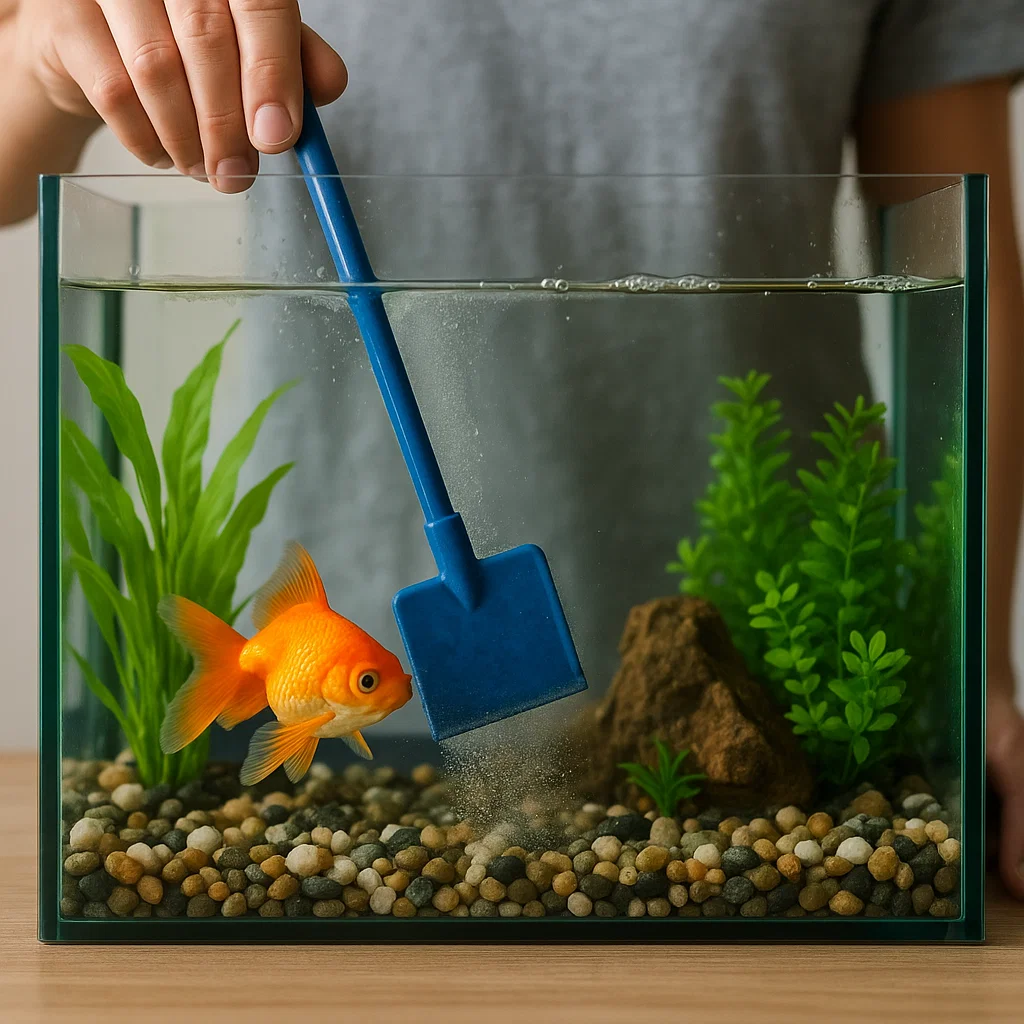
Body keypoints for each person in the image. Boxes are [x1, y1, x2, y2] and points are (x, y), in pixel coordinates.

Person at [2, 0, 1022, 898]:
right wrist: (48, 51)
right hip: (347, 700)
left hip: (790, 688)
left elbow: (963, 256)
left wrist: (969, 676)